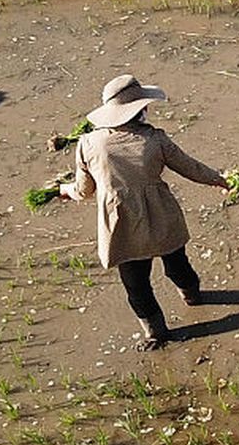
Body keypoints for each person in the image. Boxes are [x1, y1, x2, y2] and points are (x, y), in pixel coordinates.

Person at [59, 75, 229, 349]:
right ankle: (193, 296)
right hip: (161, 214)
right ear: (141, 109)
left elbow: (84, 190)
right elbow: (189, 167)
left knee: (136, 284)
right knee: (177, 264)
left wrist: (64, 190)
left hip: (121, 222)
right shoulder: (155, 139)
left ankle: (155, 333)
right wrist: (218, 179)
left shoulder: (88, 144)